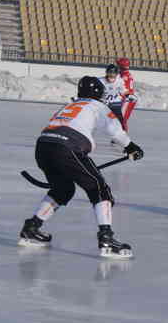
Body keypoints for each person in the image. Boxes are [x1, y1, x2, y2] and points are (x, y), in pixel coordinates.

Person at [18, 76, 144, 258]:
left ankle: (31, 228)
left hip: (43, 146)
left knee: (63, 190)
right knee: (100, 189)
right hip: (68, 147)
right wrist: (131, 147)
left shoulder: (70, 105)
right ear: (98, 93)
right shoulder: (97, 105)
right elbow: (114, 129)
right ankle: (106, 238)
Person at [115, 57, 138, 132]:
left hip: (128, 99)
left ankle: (122, 136)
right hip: (127, 99)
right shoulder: (124, 74)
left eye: (118, 65)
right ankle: (120, 135)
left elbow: (126, 91)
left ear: (121, 66)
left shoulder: (124, 76)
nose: (117, 66)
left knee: (122, 118)